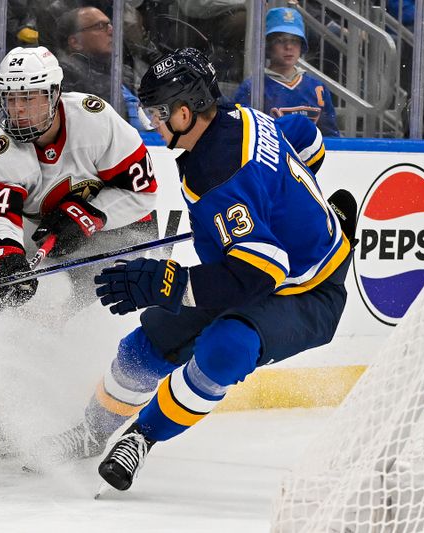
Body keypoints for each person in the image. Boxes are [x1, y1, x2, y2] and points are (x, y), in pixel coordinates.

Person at [29, 47, 354, 492]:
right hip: (258, 263)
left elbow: (263, 273)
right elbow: (304, 138)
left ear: (184, 112)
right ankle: (91, 431)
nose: (153, 125)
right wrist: (300, 201)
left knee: (227, 346)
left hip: (308, 290)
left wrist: (170, 282)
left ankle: (141, 437)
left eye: (157, 114)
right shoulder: (239, 118)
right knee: (148, 344)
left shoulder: (216, 172)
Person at [0, 45, 158, 311]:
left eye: (28, 98)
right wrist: (6, 258)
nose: (17, 110)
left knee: (99, 315)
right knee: (44, 306)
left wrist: (86, 215)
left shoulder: (96, 121)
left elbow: (142, 193)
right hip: (52, 247)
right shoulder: (0, 152)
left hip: (123, 235)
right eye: (10, 99)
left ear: (53, 94)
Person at [233, 8, 340, 137]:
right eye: (280, 40)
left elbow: (331, 139)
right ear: (268, 45)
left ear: (302, 46)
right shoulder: (252, 87)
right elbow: (239, 136)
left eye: (294, 41)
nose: (289, 47)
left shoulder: (317, 89)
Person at [55, 6, 148, 130]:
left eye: (110, 24)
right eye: (100, 26)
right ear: (75, 42)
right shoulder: (63, 78)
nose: (112, 31)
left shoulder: (122, 71)